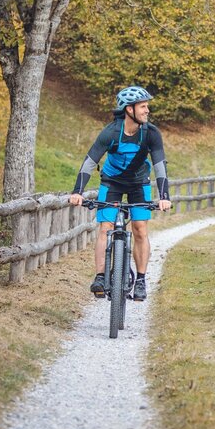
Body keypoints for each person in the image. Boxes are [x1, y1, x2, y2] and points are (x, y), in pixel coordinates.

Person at [68, 86, 171, 301]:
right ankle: (100, 276)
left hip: (139, 183)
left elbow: (160, 165)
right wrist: (77, 192)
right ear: (129, 109)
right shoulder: (111, 132)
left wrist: (164, 196)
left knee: (140, 229)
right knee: (105, 228)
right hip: (112, 182)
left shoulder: (151, 133)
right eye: (143, 106)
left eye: (146, 106)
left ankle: (141, 280)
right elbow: (90, 162)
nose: (147, 110)